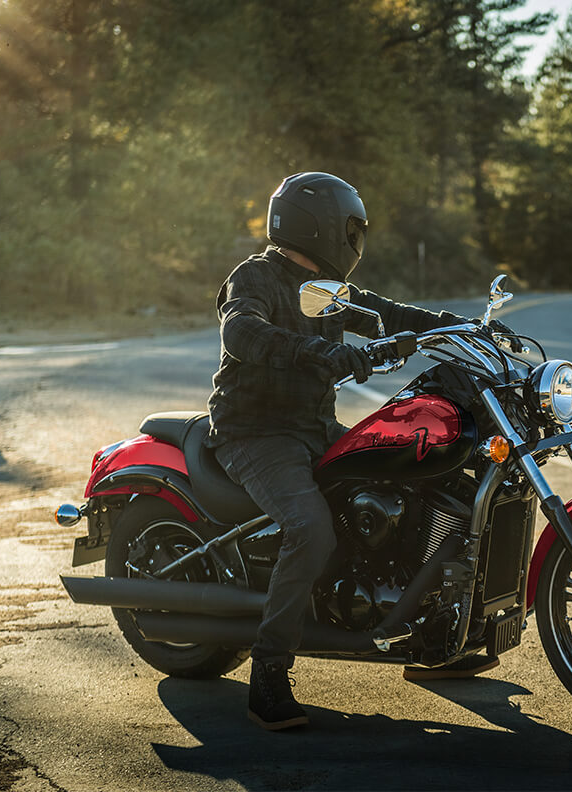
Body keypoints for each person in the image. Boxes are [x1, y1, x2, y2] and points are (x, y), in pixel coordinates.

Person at [207, 172, 497, 731]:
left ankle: (435, 634)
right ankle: (268, 671)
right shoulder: (257, 276)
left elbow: (392, 315)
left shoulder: (330, 290)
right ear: (322, 227)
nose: (356, 237)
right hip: (255, 432)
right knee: (312, 527)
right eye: (352, 227)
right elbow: (241, 333)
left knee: (412, 480)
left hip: (311, 426)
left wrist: (464, 329)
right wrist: (319, 354)